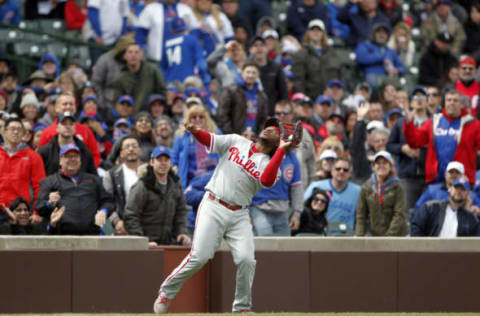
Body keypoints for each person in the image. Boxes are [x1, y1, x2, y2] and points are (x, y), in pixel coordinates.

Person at [153, 117, 293, 313]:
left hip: (240, 214)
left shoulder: (271, 165)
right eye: (268, 126)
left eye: (276, 130)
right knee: (199, 257)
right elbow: (210, 140)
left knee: (246, 259)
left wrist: (282, 151)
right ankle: (167, 291)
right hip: (214, 204)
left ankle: (242, 307)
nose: (269, 129)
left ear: (280, 141)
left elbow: (267, 180)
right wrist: (195, 131)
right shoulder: (237, 141)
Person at [402, 89, 480, 186]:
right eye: (449, 100)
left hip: (463, 183)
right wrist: (409, 124)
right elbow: (414, 142)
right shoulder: (434, 122)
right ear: (444, 103)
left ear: (461, 104)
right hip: (436, 181)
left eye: (455, 100)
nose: (451, 103)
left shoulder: (474, 124)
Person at [36, 143, 114, 235]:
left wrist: (104, 211)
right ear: (60, 160)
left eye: (76, 156)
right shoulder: (49, 181)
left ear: (80, 160)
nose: (72, 159)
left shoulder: (93, 179)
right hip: (61, 235)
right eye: (68, 156)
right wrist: (49, 203)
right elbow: (40, 207)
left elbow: (108, 201)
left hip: (92, 234)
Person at [123, 145, 190, 245]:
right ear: (152, 162)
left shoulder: (176, 185)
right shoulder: (142, 186)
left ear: (170, 162)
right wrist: (142, 241)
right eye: (159, 160)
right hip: (147, 245)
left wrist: (182, 232)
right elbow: (130, 215)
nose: (163, 163)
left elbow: (181, 211)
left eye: (166, 160)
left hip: (170, 243)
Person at [0, 117, 45, 226]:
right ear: (4, 132)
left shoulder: (33, 156)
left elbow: (39, 186)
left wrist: (36, 211)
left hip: (22, 212)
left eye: (19, 129)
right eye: (12, 129)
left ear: (24, 134)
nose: (15, 132)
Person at [249, 147, 303, 236]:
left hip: (283, 212)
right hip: (260, 209)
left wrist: (296, 214)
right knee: (265, 244)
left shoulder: (292, 157)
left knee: (284, 247)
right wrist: (246, 212)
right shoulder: (260, 154)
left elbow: (296, 187)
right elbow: (247, 184)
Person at [38, 93, 101, 168]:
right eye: (65, 104)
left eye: (71, 104)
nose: (68, 106)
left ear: (75, 108)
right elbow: (40, 159)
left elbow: (95, 155)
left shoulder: (85, 130)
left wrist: (87, 171)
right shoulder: (47, 132)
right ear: (56, 108)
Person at [355, 151, 408, 236]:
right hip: (375, 236)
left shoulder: (398, 187)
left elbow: (399, 214)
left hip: (397, 237)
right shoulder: (366, 187)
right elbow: (361, 215)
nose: (381, 166)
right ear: (373, 167)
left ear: (390, 167)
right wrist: (359, 237)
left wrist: (388, 238)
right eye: (378, 163)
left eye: (385, 163)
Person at [304, 157, 361, 232]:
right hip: (319, 234)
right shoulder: (316, 186)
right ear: (332, 171)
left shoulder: (358, 191)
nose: (341, 172)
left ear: (349, 173)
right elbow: (303, 208)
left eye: (345, 170)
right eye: (338, 169)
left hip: (346, 236)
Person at [291, 19, 342, 101]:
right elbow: (298, 80)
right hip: (310, 99)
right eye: (313, 30)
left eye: (319, 30)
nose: (316, 32)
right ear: (308, 33)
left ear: (323, 33)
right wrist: (303, 100)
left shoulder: (332, 53)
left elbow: (340, 74)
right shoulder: (301, 54)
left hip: (331, 99)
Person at [172, 104, 220, 189]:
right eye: (194, 117)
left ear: (206, 119)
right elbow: (174, 160)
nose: (198, 119)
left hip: (213, 181)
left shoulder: (216, 134)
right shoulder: (181, 137)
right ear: (189, 120)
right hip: (190, 183)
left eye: (201, 117)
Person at [411, 178, 480, 237]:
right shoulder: (430, 207)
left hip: (457, 251)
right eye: (456, 188)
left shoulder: (471, 218)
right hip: (432, 250)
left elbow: (475, 240)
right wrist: (424, 247)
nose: (459, 191)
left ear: (468, 193)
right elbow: (416, 227)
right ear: (449, 189)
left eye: (463, 189)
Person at [113, 43, 167, 114]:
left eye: (136, 52)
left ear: (141, 55)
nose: (133, 55)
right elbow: (117, 102)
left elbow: (162, 92)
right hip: (130, 116)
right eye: (130, 52)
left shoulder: (153, 70)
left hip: (151, 114)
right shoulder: (121, 78)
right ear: (125, 56)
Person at [217, 61, 268, 135]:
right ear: (242, 73)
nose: (250, 75)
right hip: (235, 136)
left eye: (254, 73)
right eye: (248, 72)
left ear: (258, 75)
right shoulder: (230, 91)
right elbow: (222, 115)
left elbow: (263, 119)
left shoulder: (262, 95)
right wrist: (231, 135)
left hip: (254, 137)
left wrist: (259, 134)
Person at [414, 161, 480, 215]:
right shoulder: (432, 190)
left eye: (457, 172)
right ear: (445, 174)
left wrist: (475, 210)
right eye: (451, 172)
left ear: (463, 176)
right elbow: (418, 209)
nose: (454, 175)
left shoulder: (471, 195)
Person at [160, 16, 210, 86]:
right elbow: (201, 64)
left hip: (170, 84)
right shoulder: (191, 39)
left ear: (171, 30)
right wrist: (205, 79)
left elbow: (162, 68)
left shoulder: (165, 44)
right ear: (184, 28)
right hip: (188, 82)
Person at [355, 23, 405, 88]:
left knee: (398, 84)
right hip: (372, 75)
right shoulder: (365, 45)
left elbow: (402, 68)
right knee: (371, 80)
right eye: (379, 32)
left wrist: (397, 70)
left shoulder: (391, 51)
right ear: (373, 34)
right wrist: (381, 58)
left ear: (388, 36)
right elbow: (360, 58)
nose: (382, 35)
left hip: (388, 78)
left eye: (384, 33)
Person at [91, 36, 135, 111]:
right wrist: (102, 104)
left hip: (127, 104)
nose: (132, 55)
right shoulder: (105, 59)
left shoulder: (133, 63)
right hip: (107, 102)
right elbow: (96, 83)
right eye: (129, 52)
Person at [249, 36, 288, 115]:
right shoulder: (247, 68)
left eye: (262, 45)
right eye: (255, 45)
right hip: (251, 112)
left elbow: (283, 92)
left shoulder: (276, 68)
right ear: (250, 49)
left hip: (270, 112)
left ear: (266, 48)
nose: (259, 48)